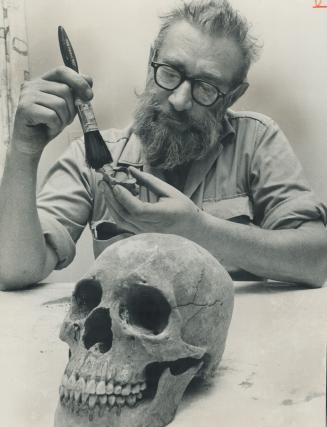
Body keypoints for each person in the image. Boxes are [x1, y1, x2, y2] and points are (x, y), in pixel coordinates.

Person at [1, 0, 327, 290]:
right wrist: (24, 151)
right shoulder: (93, 157)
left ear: (233, 96)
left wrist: (199, 229)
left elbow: (314, 261)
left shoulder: (256, 141)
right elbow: (14, 271)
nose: (180, 99)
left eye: (207, 87)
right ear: (150, 63)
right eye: (170, 72)